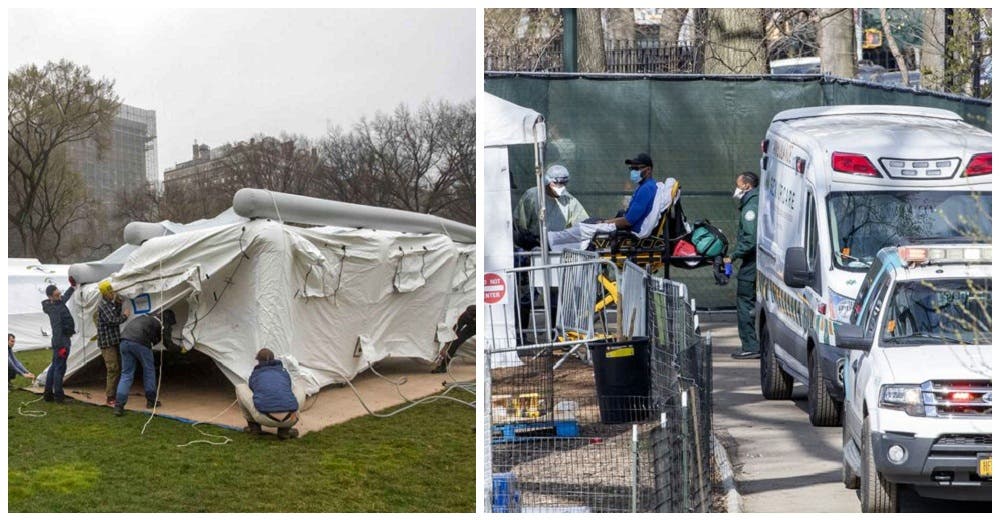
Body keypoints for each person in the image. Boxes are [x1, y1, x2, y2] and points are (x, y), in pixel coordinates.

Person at [113, 309, 179, 416]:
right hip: (140, 343)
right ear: (168, 320)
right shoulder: (162, 324)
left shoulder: (146, 317)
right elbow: (168, 344)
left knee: (126, 374)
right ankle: (151, 401)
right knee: (149, 370)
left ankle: (118, 406)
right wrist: (181, 349)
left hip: (124, 341)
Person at [513, 164, 590, 249]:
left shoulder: (569, 200)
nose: (561, 187)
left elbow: (582, 224)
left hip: (557, 246)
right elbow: (519, 226)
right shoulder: (532, 196)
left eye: (564, 183)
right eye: (557, 183)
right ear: (547, 181)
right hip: (532, 245)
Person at [235, 348, 306, 440]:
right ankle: (285, 430)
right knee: (299, 388)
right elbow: (288, 387)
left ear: (258, 361)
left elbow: (252, 389)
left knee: (240, 387)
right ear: (273, 359)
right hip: (291, 419)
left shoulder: (256, 373)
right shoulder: (283, 372)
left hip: (263, 418)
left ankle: (254, 427)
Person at [727, 171, 761, 359]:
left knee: (745, 301)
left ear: (747, 185)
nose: (736, 188)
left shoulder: (751, 207)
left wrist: (732, 256)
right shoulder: (754, 201)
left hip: (752, 262)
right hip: (755, 261)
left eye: (738, 184)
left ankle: (750, 345)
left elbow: (750, 239)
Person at [602, 153, 658, 231]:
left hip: (631, 234)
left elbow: (628, 221)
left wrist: (604, 223)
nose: (633, 172)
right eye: (631, 168)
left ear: (648, 170)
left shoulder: (646, 189)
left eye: (636, 168)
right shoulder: (646, 185)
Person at [41, 279, 76, 403]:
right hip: (61, 341)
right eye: (57, 295)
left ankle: (47, 394)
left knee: (54, 367)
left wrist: (72, 287)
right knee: (59, 369)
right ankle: (59, 397)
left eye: (59, 293)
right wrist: (61, 345)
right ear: (50, 297)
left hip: (59, 341)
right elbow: (57, 328)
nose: (59, 296)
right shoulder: (54, 309)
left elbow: (65, 297)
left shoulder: (57, 303)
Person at [96, 280, 129, 407]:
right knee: (112, 368)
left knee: (118, 367)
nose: (112, 294)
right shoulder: (103, 306)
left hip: (114, 340)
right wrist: (125, 316)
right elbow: (112, 320)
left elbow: (114, 313)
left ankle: (117, 393)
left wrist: (118, 305)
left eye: (112, 291)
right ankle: (110, 396)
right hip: (107, 342)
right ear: (105, 293)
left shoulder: (110, 303)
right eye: (110, 292)